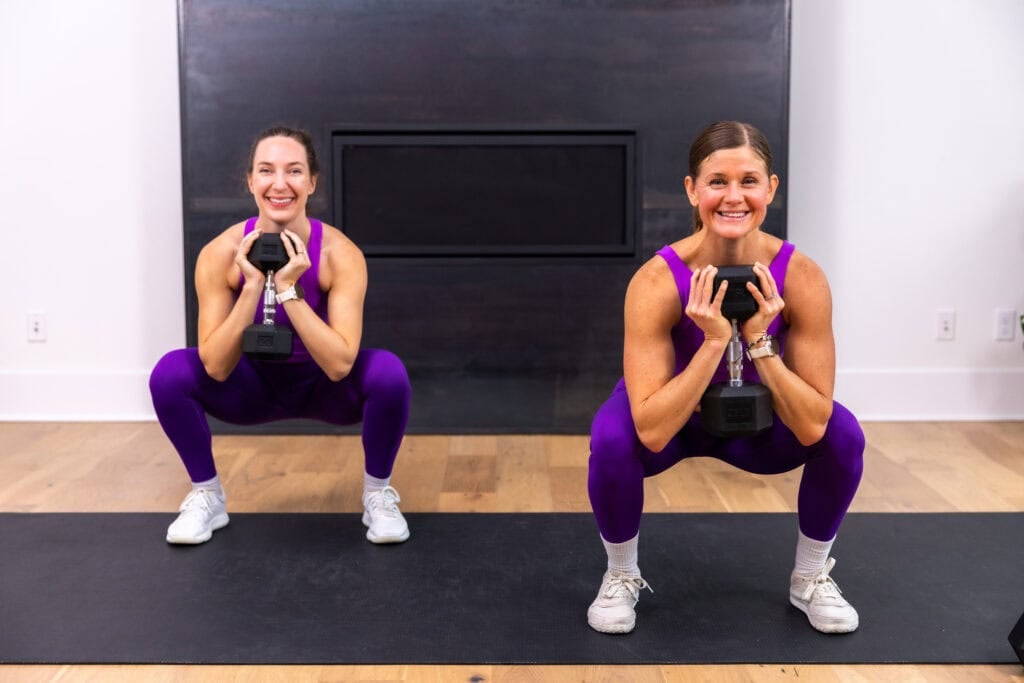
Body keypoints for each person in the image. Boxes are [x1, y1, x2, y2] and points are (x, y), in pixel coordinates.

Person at [585, 121, 864, 635]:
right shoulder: (655, 281)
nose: (733, 197)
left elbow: (811, 426)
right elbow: (650, 429)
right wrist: (713, 341)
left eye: (748, 181)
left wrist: (760, 342)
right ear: (692, 189)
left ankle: (809, 578)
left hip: (765, 429)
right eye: (717, 181)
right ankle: (621, 574)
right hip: (680, 421)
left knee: (843, 433)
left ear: (771, 189)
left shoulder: (801, 277)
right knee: (611, 436)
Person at [150, 126, 412, 546]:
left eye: (294, 171)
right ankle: (207, 496)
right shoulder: (220, 253)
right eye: (266, 170)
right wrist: (252, 285)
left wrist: (290, 291)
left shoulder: (339, 254)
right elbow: (215, 366)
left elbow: (341, 364)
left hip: (322, 386)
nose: (279, 183)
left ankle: (378, 494)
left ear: (312, 182)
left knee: (388, 373)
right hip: (248, 388)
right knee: (169, 373)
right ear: (251, 181)